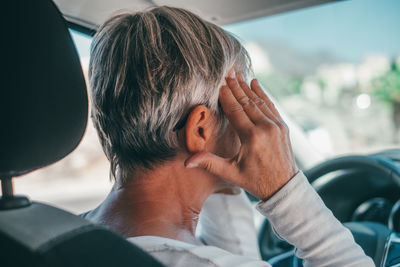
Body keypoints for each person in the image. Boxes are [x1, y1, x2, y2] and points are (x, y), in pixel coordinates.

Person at [84, 6, 374, 266]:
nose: (253, 124)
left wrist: (218, 169)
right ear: (200, 128)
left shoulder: (55, 234)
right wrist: (287, 191)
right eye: (240, 105)